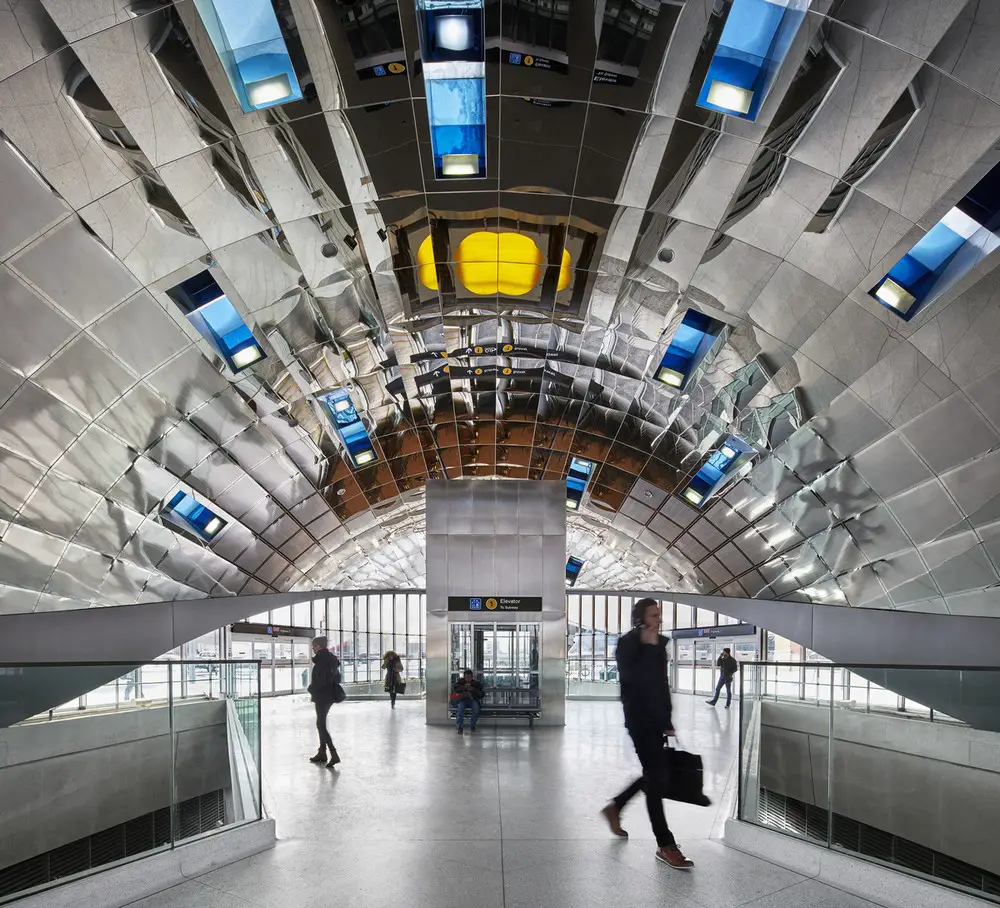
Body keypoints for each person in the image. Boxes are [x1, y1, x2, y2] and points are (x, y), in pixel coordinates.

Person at [601, 598, 694, 869]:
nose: (659, 619)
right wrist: (647, 648)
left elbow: (662, 685)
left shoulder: (659, 645)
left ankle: (616, 806)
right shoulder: (629, 644)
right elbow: (630, 679)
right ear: (640, 618)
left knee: (655, 776)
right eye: (654, 615)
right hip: (639, 721)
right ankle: (665, 844)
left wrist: (668, 718)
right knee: (655, 780)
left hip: (657, 721)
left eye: (659, 614)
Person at [308, 636, 341, 768]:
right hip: (329, 695)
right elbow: (338, 678)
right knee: (320, 723)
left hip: (322, 696)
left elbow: (320, 681)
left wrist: (310, 688)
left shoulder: (321, 660)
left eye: (314, 645)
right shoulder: (331, 659)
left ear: (319, 646)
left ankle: (333, 754)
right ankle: (322, 752)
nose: (312, 648)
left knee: (321, 725)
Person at [452, 669, 484, 734]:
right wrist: (463, 687)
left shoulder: (476, 684)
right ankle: (460, 727)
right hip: (462, 700)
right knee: (460, 710)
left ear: (472, 677)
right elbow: (455, 691)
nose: (467, 679)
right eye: (466, 677)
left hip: (473, 700)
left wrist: (473, 690)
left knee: (476, 709)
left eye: (469, 677)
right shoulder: (460, 683)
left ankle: (473, 724)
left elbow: (482, 694)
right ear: (464, 677)